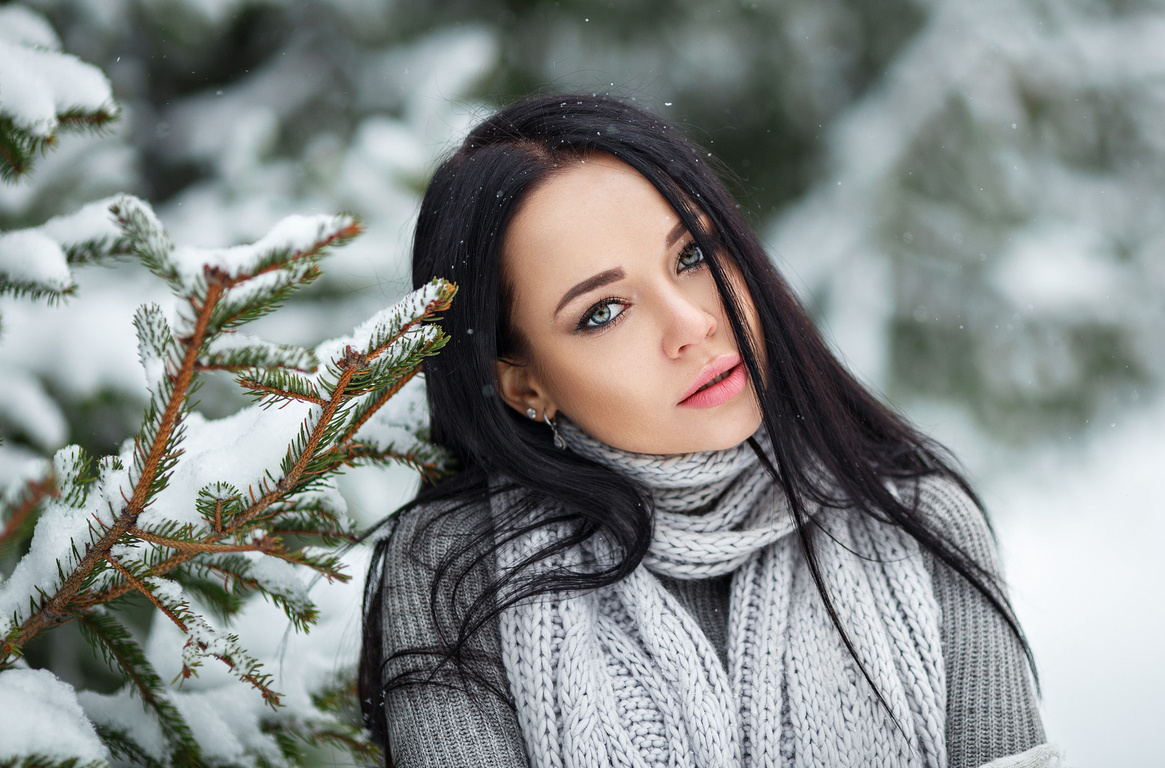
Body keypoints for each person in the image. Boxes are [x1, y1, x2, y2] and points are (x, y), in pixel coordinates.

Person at [359, 94, 1062, 768]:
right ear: (523, 382)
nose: (692, 324)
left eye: (692, 256)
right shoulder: (456, 572)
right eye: (604, 311)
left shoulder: (912, 518)